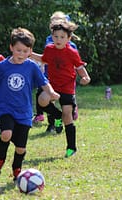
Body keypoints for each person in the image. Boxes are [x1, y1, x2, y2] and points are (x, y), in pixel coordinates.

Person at [0, 27, 60, 184]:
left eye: (25, 51)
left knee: (21, 148)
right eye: (18, 50)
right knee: (6, 133)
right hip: (5, 108)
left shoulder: (31, 66)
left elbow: (43, 82)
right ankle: (0, 159)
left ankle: (16, 170)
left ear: (30, 51)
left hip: (24, 112)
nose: (21, 54)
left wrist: (51, 93)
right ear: (11, 47)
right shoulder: (2, 66)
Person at [31, 19, 91, 158]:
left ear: (68, 39)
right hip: (52, 86)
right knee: (42, 101)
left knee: (67, 116)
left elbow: (79, 66)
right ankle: (56, 115)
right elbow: (44, 59)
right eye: (56, 36)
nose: (58, 39)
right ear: (52, 37)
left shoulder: (72, 52)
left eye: (62, 37)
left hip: (67, 87)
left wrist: (85, 77)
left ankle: (71, 148)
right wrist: (31, 54)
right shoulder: (49, 49)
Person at [33, 11, 80, 134]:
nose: (56, 23)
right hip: (51, 75)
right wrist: (42, 67)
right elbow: (45, 57)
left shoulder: (71, 46)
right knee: (47, 99)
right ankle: (52, 123)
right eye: (53, 21)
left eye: (59, 21)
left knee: (67, 105)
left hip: (66, 79)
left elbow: (76, 64)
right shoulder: (49, 40)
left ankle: (71, 110)